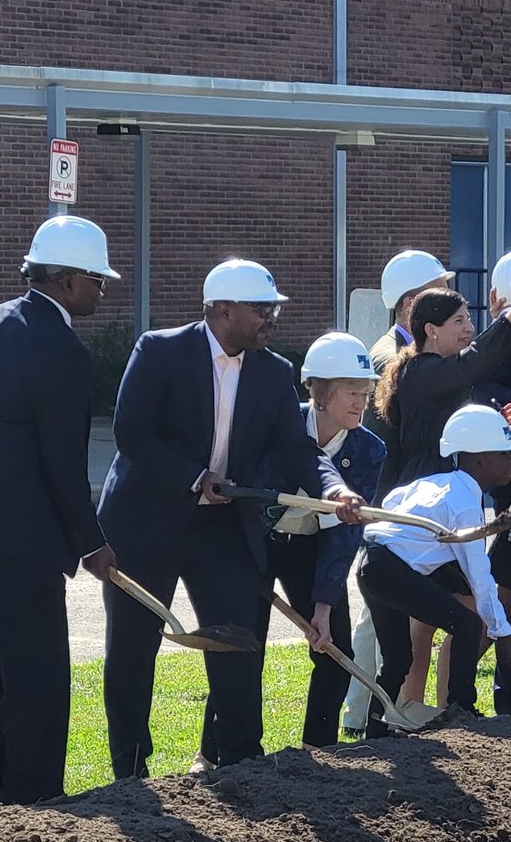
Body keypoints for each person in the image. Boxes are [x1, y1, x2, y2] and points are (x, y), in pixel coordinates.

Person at [98, 258, 361, 779]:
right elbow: (133, 434)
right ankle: (128, 772)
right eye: (262, 309)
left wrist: (335, 489)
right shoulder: (159, 351)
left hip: (220, 529)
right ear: (223, 310)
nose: (272, 318)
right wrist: (196, 476)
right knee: (133, 646)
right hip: (145, 522)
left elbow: (297, 448)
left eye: (273, 309)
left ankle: (241, 762)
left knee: (238, 639)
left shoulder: (273, 371)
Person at [0, 214, 119, 806]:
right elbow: (63, 465)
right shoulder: (62, 350)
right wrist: (92, 543)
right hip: (20, 533)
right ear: (65, 281)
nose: (102, 292)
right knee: (35, 671)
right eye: (97, 281)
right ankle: (32, 796)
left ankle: (3, 786)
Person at [358, 403, 511, 719]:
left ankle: (377, 729)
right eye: (503, 453)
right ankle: (461, 710)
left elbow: (395, 501)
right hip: (388, 569)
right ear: (479, 458)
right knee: (467, 624)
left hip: (371, 563)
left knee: (397, 658)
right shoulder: (463, 505)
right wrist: (501, 632)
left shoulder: (436, 483)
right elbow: (480, 576)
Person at [267, 333, 384, 748]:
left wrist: (322, 604)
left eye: (365, 393)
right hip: (257, 544)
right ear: (320, 393)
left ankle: (319, 751)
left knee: (335, 653)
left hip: (312, 550)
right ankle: (218, 753)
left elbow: (345, 536)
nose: (360, 402)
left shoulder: (370, 450)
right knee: (243, 649)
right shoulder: (278, 425)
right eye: (351, 392)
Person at [373, 284, 511, 492]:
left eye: (468, 319)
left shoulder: (444, 371)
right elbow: (472, 363)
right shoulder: (422, 371)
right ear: (431, 330)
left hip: (451, 484)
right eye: (458, 321)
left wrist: (487, 428)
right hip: (428, 487)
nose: (470, 328)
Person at [369, 250, 452, 376]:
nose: (448, 303)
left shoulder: (427, 351)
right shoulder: (391, 359)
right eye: (438, 297)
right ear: (410, 305)